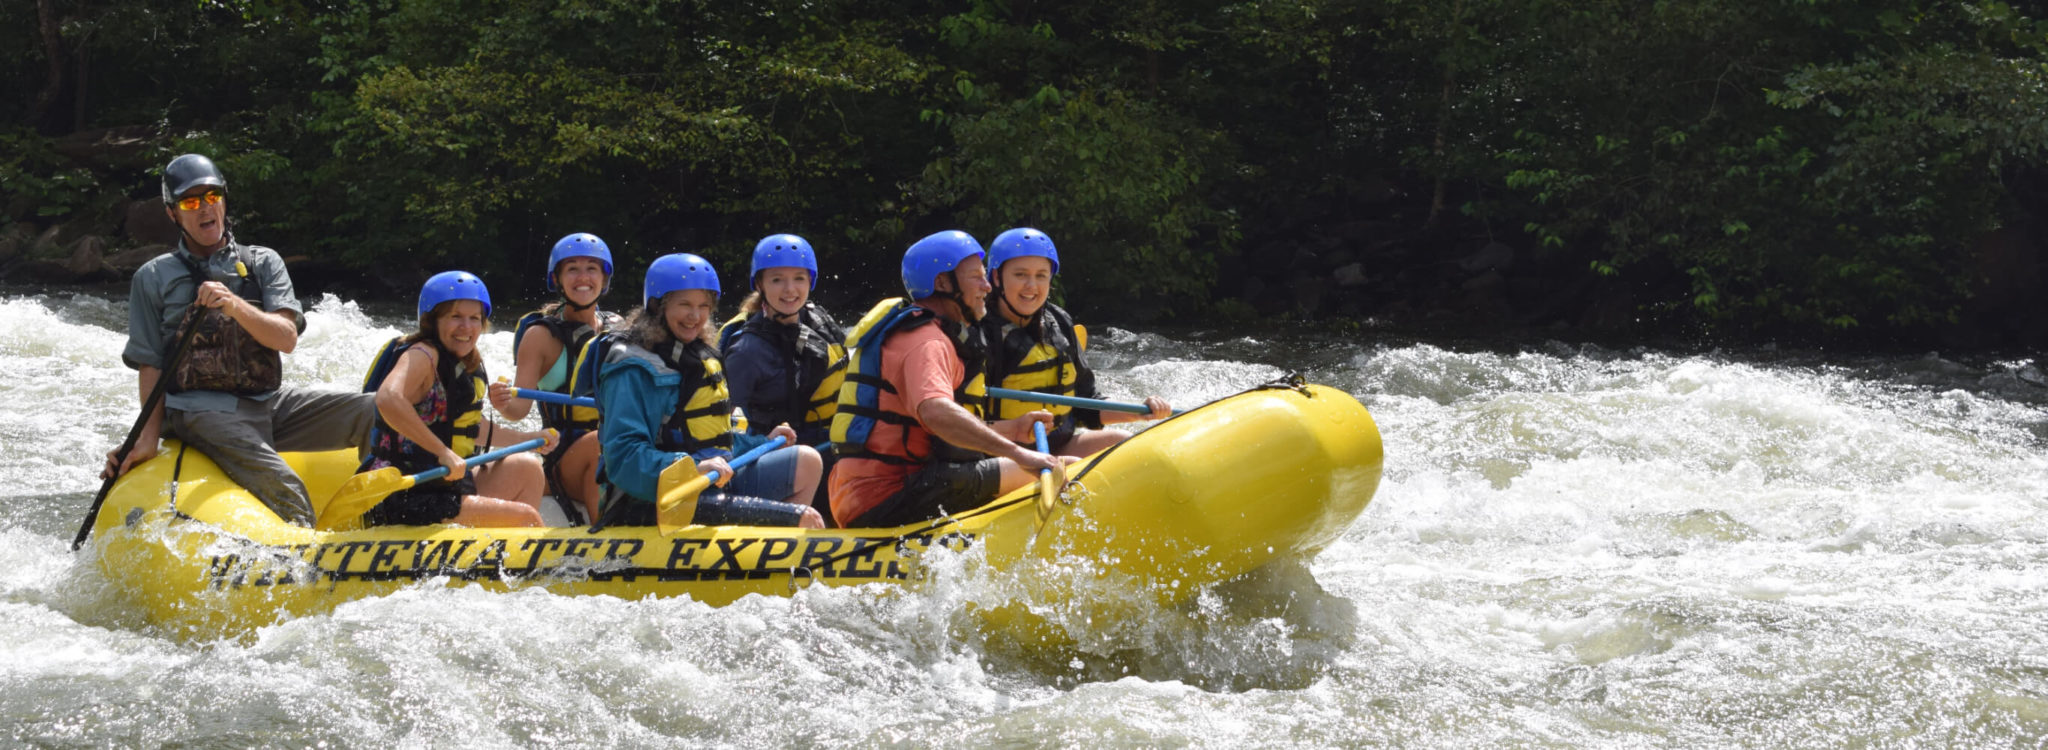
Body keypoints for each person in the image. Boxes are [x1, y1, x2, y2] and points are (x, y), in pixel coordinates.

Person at [105, 153, 375, 527]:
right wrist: (147, 440)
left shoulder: (263, 262)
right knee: (287, 485)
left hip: (267, 403)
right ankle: (309, 563)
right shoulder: (151, 277)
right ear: (172, 213)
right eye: (190, 201)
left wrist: (234, 305)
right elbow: (150, 363)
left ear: (225, 199)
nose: (205, 208)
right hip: (200, 413)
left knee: (376, 409)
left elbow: (286, 339)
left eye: (212, 196)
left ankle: (385, 518)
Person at [826, 230, 1074, 529]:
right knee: (1070, 469)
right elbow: (935, 412)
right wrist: (1018, 453)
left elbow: (936, 427)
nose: (986, 287)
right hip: (890, 495)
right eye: (975, 278)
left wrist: (1012, 430)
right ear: (942, 283)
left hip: (878, 490)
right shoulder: (926, 341)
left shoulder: (930, 332)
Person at [588, 253, 825, 528]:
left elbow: (709, 439)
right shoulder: (632, 367)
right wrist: (690, 468)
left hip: (709, 483)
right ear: (657, 306)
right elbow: (623, 456)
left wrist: (763, 442)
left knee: (807, 461)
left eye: (703, 306)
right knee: (801, 518)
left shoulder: (695, 356)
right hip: (654, 499)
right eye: (684, 305)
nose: (695, 316)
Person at [359, 272, 557, 527]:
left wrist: (528, 439)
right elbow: (388, 399)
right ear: (433, 320)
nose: (467, 327)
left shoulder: (465, 361)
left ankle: (496, 561)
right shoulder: (423, 354)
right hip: (403, 492)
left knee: (527, 469)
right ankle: (527, 565)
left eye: (474, 318)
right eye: (455, 317)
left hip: (444, 485)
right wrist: (442, 452)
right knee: (525, 518)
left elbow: (468, 427)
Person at [978, 228, 1171, 457]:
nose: (1032, 285)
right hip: (1001, 456)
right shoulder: (980, 333)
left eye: (1041, 275)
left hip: (1058, 446)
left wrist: (1140, 412)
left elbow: (1086, 403)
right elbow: (960, 426)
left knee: (1126, 444)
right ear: (997, 277)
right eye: (1020, 275)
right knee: (1068, 464)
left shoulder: (1058, 322)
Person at [486, 232, 619, 524]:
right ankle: (605, 536)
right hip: (565, 459)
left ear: (604, 278)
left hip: (619, 447)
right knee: (602, 440)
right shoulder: (541, 336)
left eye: (591, 268)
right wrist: (502, 401)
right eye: (572, 268)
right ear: (557, 279)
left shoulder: (617, 328)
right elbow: (518, 410)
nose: (582, 277)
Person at [717, 233, 848, 523]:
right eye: (777, 280)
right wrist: (760, 441)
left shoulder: (816, 321)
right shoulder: (747, 351)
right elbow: (719, 429)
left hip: (826, 442)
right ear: (760, 285)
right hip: (778, 456)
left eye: (799, 278)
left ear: (810, 282)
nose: (790, 290)